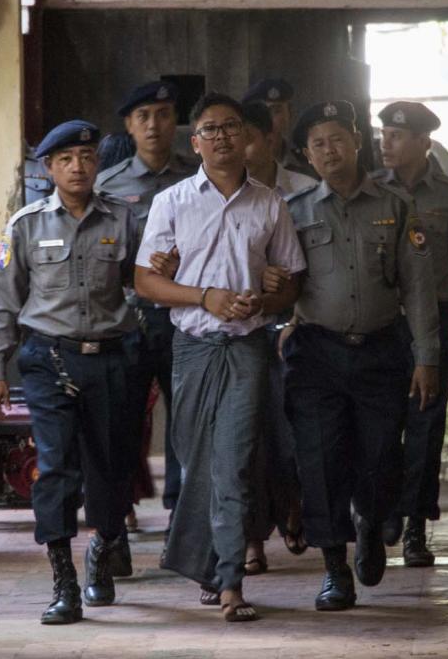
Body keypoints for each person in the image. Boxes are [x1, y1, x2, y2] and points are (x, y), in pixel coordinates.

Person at [135, 92, 305, 622]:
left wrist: (268, 297)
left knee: (232, 461)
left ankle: (230, 580)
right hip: (191, 347)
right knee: (194, 460)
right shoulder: (173, 202)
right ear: (196, 142)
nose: (223, 137)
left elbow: (290, 284)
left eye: (231, 127)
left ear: (247, 137)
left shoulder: (269, 202)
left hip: (248, 347)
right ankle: (207, 564)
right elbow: (146, 282)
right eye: (211, 129)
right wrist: (205, 296)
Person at [276, 100, 440, 611]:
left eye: (338, 140)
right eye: (318, 143)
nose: (329, 150)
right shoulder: (295, 212)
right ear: (307, 153)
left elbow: (417, 285)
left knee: (379, 456)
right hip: (317, 354)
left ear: (357, 143)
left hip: (380, 351)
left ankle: (371, 524)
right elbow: (279, 280)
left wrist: (427, 355)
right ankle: (334, 570)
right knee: (320, 462)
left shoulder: (393, 206)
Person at [0, 120, 140, 625]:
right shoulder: (25, 225)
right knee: (55, 469)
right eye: (67, 159)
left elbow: (147, 281)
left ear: (99, 164)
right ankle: (63, 581)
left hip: (112, 357)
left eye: (88, 157)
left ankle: (102, 549)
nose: (78, 167)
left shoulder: (123, 218)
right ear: (49, 167)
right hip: (49, 359)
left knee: (112, 467)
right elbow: (3, 303)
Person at [372, 101, 448, 566]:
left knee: (425, 426)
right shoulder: (368, 190)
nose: (386, 142)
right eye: (384, 133)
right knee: (382, 421)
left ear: (425, 143)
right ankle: (383, 507)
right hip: (383, 322)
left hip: (436, 320)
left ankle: (416, 528)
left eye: (397, 136)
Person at [95, 80, 198, 534]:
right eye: (144, 117)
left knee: (187, 416)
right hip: (131, 318)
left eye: (163, 115)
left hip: (187, 315)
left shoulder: (198, 177)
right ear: (129, 127)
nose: (154, 125)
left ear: (176, 121)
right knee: (123, 417)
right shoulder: (109, 187)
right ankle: (118, 512)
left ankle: (181, 511)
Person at [239, 100, 315, 575]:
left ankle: (294, 505)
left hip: (298, 332)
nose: (234, 146)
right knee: (247, 438)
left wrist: (297, 317)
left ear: (271, 139)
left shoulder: (307, 193)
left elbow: (322, 270)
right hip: (240, 332)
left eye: (245, 135)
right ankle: (251, 539)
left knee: (292, 435)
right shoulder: (215, 196)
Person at [242, 77, 317, 178]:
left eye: (276, 111)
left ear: (289, 113)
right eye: (258, 113)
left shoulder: (308, 163)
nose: (267, 119)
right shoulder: (237, 165)